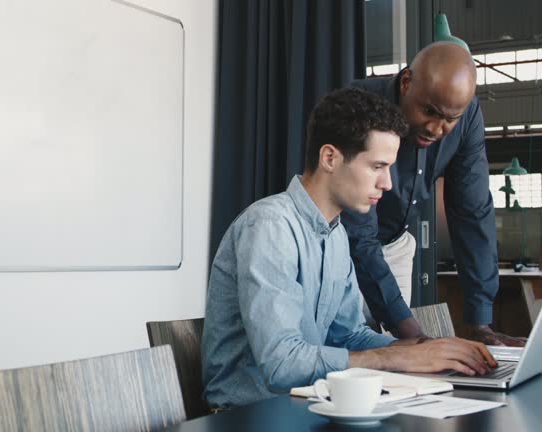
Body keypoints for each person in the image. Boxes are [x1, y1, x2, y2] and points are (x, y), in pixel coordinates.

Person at [201, 87, 497, 409]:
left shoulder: (336, 234)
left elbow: (349, 336)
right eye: (377, 167)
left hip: (306, 405)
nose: (387, 183)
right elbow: (282, 365)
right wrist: (397, 357)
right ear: (330, 158)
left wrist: (425, 349)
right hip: (247, 416)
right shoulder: (270, 227)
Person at [345, 42, 525, 345]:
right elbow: (358, 233)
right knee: (349, 348)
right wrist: (412, 332)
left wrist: (480, 324)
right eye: (429, 111)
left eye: (449, 119)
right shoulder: (359, 105)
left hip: (396, 244)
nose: (436, 128)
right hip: (342, 246)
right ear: (405, 83)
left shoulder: (466, 118)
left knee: (399, 363)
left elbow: (473, 212)